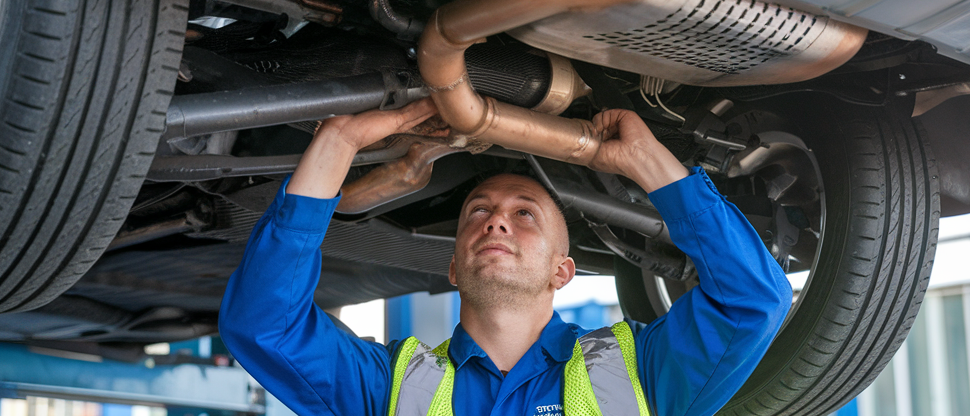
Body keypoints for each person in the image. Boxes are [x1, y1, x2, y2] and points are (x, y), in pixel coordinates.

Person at [219, 98, 793, 416]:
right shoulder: (391, 387)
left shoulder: (642, 374)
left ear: (561, 271)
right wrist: (337, 143)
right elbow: (263, 326)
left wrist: (649, 160)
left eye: (525, 214)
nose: (495, 218)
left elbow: (753, 301)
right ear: (453, 266)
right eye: (477, 211)